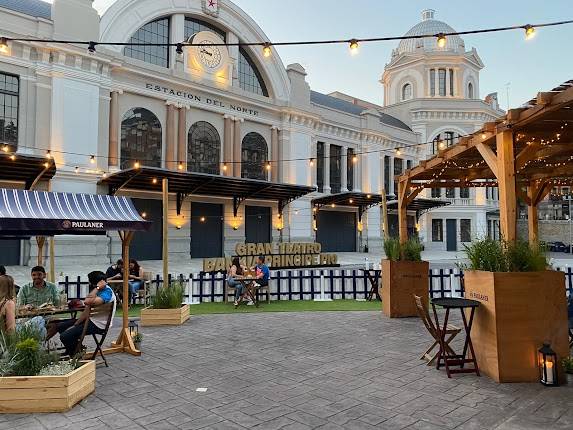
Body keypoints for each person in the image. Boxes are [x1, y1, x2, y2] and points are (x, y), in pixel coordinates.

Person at [55, 271, 116, 357]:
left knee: (65, 336)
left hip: (99, 325)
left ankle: (76, 356)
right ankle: (75, 349)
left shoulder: (107, 292)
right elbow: (87, 310)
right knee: (61, 326)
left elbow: (87, 302)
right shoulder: (99, 291)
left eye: (90, 281)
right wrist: (76, 324)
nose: (89, 283)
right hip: (91, 320)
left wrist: (97, 288)